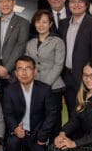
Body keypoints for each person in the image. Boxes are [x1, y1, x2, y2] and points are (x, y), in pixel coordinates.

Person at [2, 56, 57, 151]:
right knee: (12, 141)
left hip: (37, 134)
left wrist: (42, 137)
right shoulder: (9, 90)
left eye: (28, 69)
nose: (24, 73)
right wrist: (15, 128)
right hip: (19, 132)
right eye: (20, 69)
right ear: (15, 73)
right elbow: (8, 114)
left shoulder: (45, 89)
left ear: (35, 71)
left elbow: (51, 115)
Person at [59, 0, 92, 117]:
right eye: (73, 1)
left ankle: (82, 138)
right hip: (66, 75)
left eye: (80, 1)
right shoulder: (63, 24)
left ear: (86, 5)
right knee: (71, 110)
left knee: (85, 112)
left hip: (85, 77)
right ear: (68, 4)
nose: (76, 4)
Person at [25, 9, 65, 140]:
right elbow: (27, 63)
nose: (41, 25)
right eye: (38, 22)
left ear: (50, 24)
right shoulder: (30, 43)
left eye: (44, 22)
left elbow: (58, 65)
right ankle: (39, 147)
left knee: (54, 120)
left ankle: (55, 149)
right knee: (38, 118)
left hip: (53, 87)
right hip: (34, 86)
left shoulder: (57, 41)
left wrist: (44, 85)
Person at [0, 0, 30, 102]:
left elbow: (21, 47)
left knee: (16, 107)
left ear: (13, 2)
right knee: (2, 107)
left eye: (8, 0)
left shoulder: (23, 23)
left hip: (14, 72)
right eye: (1, 1)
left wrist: (6, 69)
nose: (4, 4)